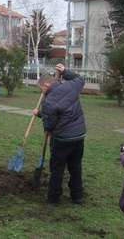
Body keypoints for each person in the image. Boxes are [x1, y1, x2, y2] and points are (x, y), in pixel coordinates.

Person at [33, 63, 86, 205]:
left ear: (45, 85)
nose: (42, 92)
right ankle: (77, 196)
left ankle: (53, 198)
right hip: (79, 135)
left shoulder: (49, 101)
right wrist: (66, 71)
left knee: (57, 168)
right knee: (75, 166)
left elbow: (50, 122)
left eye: (41, 89)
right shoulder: (72, 86)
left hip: (62, 139)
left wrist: (42, 117)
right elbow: (81, 79)